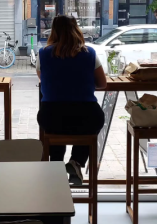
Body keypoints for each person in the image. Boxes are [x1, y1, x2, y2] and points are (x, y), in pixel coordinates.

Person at [36, 15, 107, 185]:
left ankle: (56, 164)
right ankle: (76, 161)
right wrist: (83, 84)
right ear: (76, 30)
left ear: (53, 31)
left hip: (51, 117)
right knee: (92, 123)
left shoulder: (43, 54)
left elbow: (43, 80)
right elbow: (103, 84)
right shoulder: (89, 53)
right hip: (86, 117)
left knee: (56, 127)